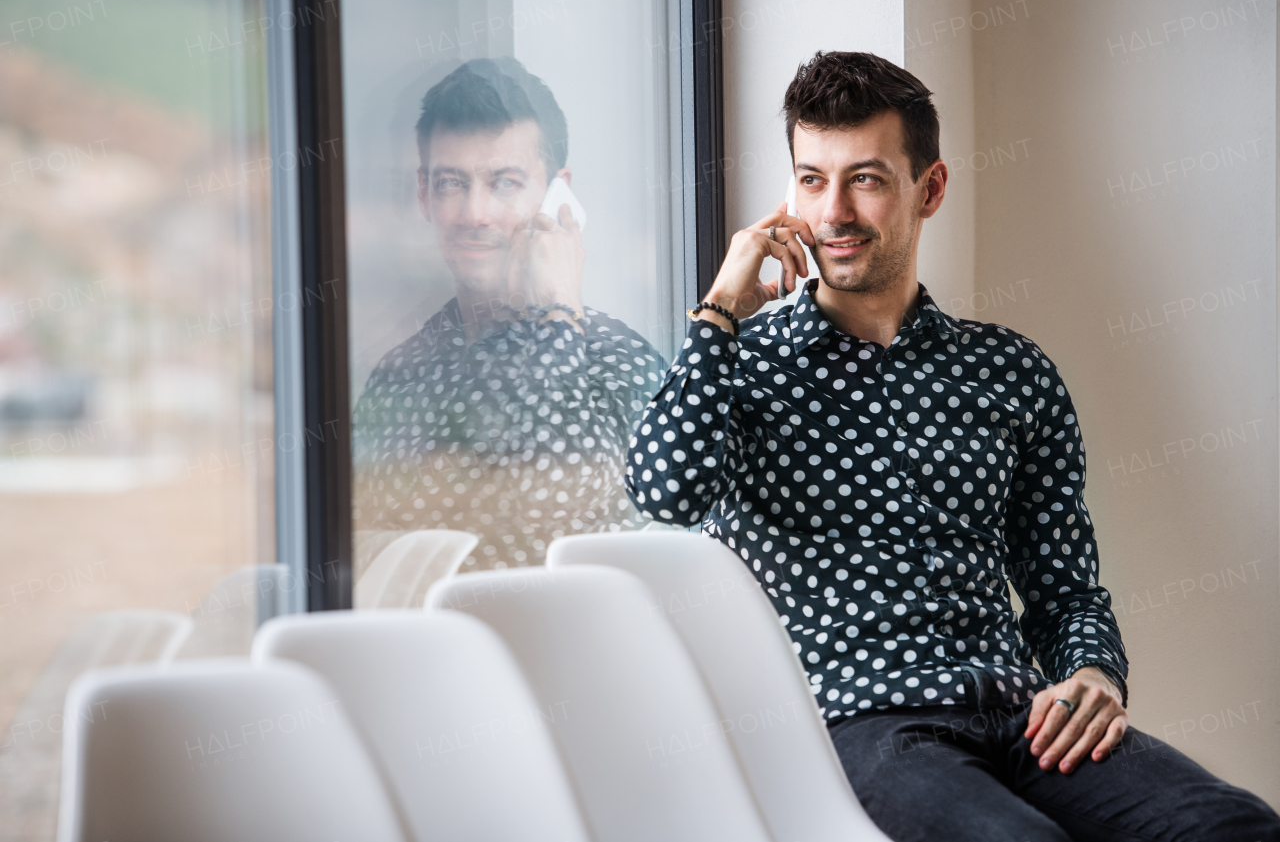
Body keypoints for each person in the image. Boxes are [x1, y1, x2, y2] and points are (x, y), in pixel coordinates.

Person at [624, 50, 1280, 841]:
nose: (832, 211)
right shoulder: (743, 362)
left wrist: (1093, 672)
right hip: (860, 726)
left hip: (1021, 714)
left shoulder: (1010, 370)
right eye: (810, 178)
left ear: (929, 188)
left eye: (864, 179)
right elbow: (664, 491)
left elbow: (1062, 583)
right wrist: (721, 306)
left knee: (1233, 825)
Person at [353, 57, 667, 571]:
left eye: (504, 183)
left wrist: (559, 313)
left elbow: (555, 512)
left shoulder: (618, 359)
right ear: (424, 194)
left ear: (555, 193)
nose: (476, 214)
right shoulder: (400, 373)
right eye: (452, 183)